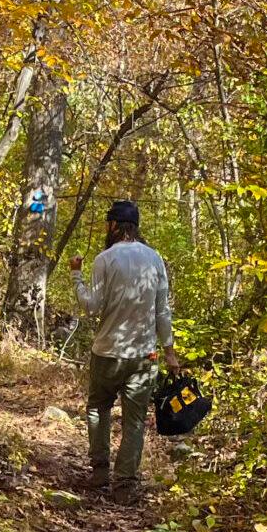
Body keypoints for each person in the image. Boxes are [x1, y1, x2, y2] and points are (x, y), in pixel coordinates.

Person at [68, 199, 177, 500]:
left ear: (114, 225)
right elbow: (162, 311)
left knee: (98, 408)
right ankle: (124, 486)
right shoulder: (155, 259)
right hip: (144, 356)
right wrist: (169, 351)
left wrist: (76, 275)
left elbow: (91, 306)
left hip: (106, 352)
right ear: (135, 226)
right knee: (134, 420)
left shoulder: (105, 259)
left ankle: (100, 471)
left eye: (107, 223)